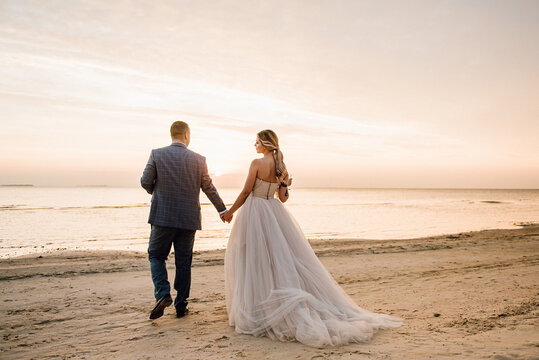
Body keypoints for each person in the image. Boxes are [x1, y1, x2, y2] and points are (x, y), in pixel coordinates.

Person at [222, 129, 402, 347]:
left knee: (255, 258)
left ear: (266, 144)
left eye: (257, 141)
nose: (254, 145)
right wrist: (285, 185)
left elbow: (245, 192)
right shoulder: (281, 166)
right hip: (274, 212)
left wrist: (229, 211)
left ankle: (257, 308)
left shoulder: (256, 163)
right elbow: (283, 198)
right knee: (278, 259)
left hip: (256, 212)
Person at [140, 121, 229, 320]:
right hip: (188, 219)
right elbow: (209, 188)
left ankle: (163, 294)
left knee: (156, 255)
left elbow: (145, 181)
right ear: (187, 135)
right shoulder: (199, 159)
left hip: (162, 216)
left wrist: (157, 190)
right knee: (183, 262)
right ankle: (181, 306)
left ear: (172, 134)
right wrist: (222, 210)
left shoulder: (157, 154)